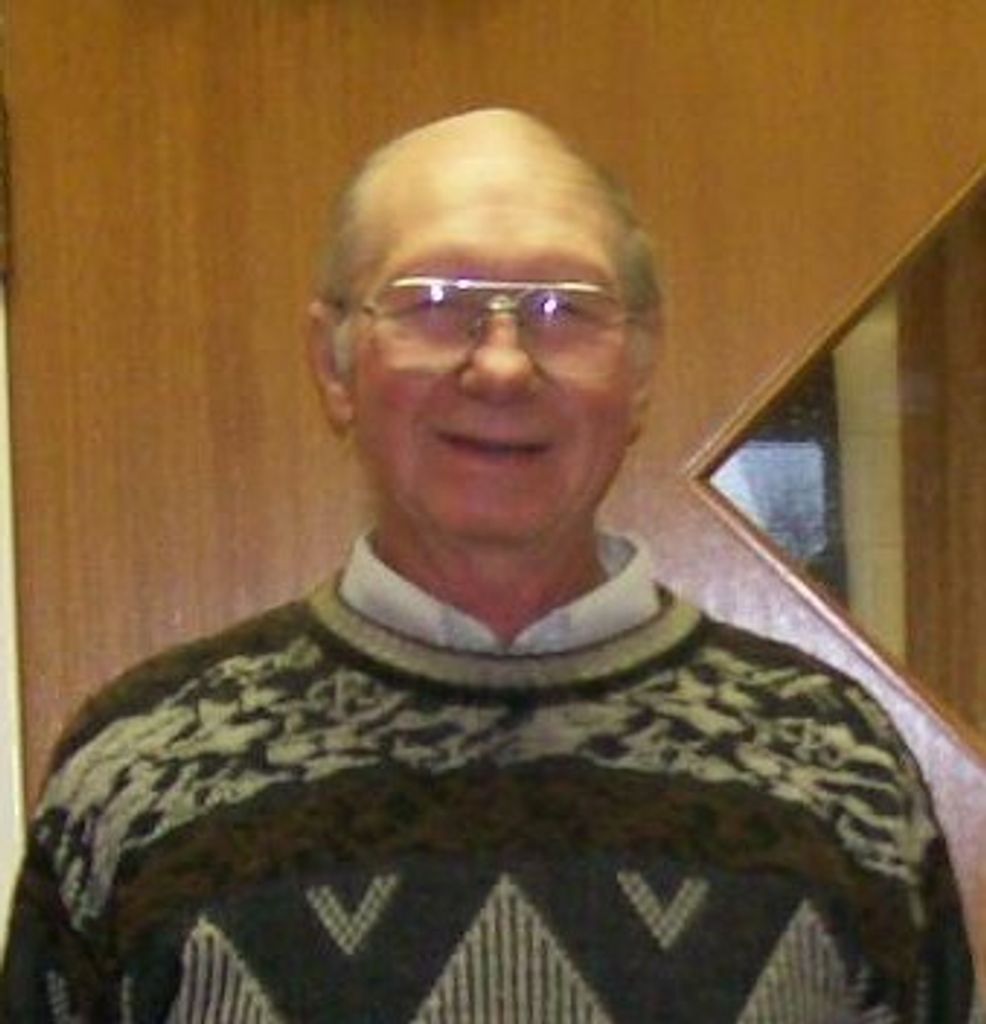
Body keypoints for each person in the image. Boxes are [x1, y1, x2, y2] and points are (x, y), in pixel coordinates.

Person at [0, 108, 978, 1022]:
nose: (503, 365)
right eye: (435, 301)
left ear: (639, 370)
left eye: (562, 306)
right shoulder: (141, 771)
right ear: (334, 363)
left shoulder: (834, 766)